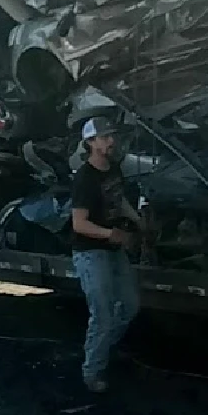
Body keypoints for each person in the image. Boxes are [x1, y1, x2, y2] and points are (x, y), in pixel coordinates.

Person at [71, 116, 141, 392]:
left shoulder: (112, 169)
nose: (111, 141)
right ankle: (92, 371)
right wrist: (111, 234)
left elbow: (118, 199)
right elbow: (79, 224)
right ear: (90, 143)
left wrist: (137, 219)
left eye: (112, 135)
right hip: (91, 254)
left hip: (113, 249)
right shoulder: (85, 179)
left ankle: (104, 348)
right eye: (104, 137)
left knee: (130, 305)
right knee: (102, 314)